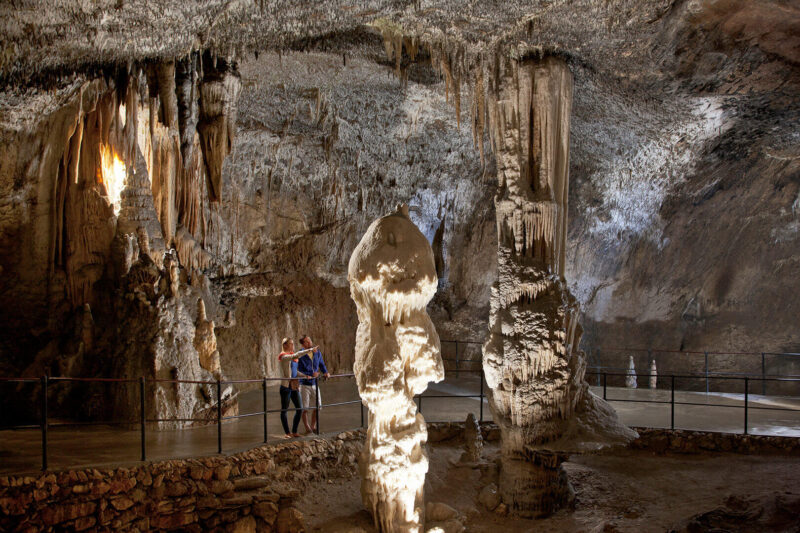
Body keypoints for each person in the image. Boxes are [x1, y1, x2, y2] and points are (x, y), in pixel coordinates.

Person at [296, 335, 330, 434]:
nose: (310, 343)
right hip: (304, 384)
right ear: (302, 344)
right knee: (305, 408)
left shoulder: (317, 352)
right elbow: (297, 370)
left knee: (318, 406)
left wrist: (326, 372)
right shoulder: (300, 354)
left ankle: (313, 425)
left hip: (315, 383)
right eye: (307, 342)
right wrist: (310, 374)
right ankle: (307, 428)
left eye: (310, 340)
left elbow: (321, 364)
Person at [277, 338, 303, 438]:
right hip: (286, 386)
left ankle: (294, 431)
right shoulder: (283, 356)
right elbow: (294, 356)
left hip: (294, 385)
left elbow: (295, 372)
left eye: (293, 343)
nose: (293, 345)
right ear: (285, 345)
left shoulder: (292, 356)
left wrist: (305, 375)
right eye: (291, 344)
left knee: (299, 408)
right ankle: (287, 432)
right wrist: (308, 351)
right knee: (284, 409)